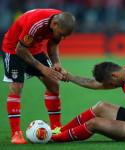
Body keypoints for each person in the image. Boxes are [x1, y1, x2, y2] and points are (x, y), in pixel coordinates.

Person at [1, 8, 75, 144]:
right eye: (62, 34)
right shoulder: (35, 24)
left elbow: (53, 43)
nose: (63, 38)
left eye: (65, 36)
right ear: (54, 25)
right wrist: (42, 68)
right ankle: (16, 133)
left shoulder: (60, 22)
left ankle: (56, 128)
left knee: (53, 83)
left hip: (35, 49)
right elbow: (20, 49)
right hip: (14, 49)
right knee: (16, 86)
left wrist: (56, 63)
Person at [52, 62, 125, 143]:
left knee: (94, 123)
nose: (110, 86)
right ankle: (59, 131)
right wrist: (69, 76)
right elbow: (94, 83)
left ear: (114, 75)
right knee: (101, 106)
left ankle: (53, 138)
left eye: (110, 83)